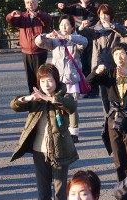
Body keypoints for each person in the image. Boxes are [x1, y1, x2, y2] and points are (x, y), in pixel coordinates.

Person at [11, 63, 78, 200]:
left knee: (60, 190)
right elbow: (14, 105)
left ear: (56, 81)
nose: (46, 85)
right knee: (43, 190)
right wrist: (28, 98)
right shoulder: (36, 100)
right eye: (42, 81)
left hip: (60, 149)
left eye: (49, 80)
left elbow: (71, 106)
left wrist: (49, 98)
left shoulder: (64, 96)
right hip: (39, 150)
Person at [86, 43, 127, 182]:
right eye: (116, 55)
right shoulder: (109, 73)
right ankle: (122, 186)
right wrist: (96, 71)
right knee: (118, 154)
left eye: (122, 54)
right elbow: (88, 81)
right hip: (114, 116)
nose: (119, 57)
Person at [35, 15, 88, 143]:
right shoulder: (54, 42)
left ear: (72, 27)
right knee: (57, 104)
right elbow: (38, 42)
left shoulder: (75, 40)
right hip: (57, 79)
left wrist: (68, 37)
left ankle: (74, 132)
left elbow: (84, 41)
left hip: (72, 78)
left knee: (72, 106)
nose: (64, 27)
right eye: (62, 25)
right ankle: (59, 129)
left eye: (67, 24)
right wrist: (47, 36)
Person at [5, 0, 51, 94]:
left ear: (37, 3)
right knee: (30, 77)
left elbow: (48, 19)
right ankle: (33, 97)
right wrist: (11, 15)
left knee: (40, 76)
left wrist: (37, 15)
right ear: (25, 4)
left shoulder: (42, 15)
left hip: (40, 51)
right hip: (26, 52)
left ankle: (43, 96)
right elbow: (10, 20)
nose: (30, 4)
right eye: (28, 2)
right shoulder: (22, 16)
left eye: (33, 2)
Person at [58, 0, 100, 98]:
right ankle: (86, 88)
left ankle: (94, 90)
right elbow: (66, 10)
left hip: (93, 40)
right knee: (82, 65)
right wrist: (62, 7)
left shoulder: (96, 7)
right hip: (79, 42)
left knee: (93, 66)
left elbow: (105, 12)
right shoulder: (76, 7)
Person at [83, 3, 126, 104]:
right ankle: (107, 117)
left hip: (114, 62)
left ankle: (118, 114)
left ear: (110, 15)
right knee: (104, 94)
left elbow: (123, 32)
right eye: (102, 14)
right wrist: (81, 27)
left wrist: (113, 26)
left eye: (106, 14)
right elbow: (84, 33)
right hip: (100, 63)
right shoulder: (95, 28)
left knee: (116, 91)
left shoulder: (115, 27)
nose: (104, 17)